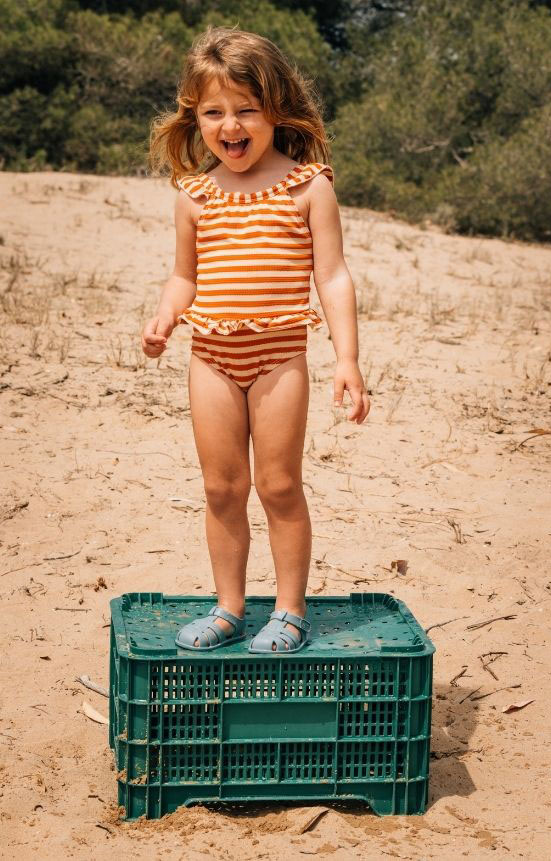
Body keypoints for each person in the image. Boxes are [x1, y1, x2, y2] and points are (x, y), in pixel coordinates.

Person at [141, 26, 370, 653]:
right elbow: (184, 276)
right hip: (210, 359)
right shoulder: (195, 196)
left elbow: (334, 275)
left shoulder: (307, 186)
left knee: (277, 485)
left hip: (278, 359)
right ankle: (229, 607)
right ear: (196, 119)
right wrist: (164, 318)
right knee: (221, 488)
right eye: (214, 111)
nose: (231, 124)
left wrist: (346, 359)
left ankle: (290, 609)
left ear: (275, 109)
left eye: (246, 108)